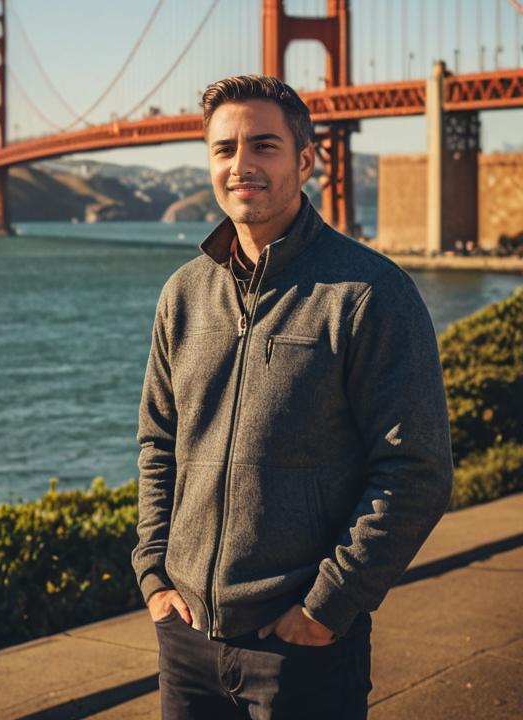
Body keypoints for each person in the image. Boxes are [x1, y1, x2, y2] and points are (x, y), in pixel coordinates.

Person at [131, 75, 454, 719]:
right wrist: (154, 575)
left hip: (301, 647)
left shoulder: (368, 293)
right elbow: (158, 444)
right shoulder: (184, 294)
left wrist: (326, 607)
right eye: (224, 149)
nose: (241, 165)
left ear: (306, 160)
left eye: (265, 146)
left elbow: (417, 470)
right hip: (187, 638)